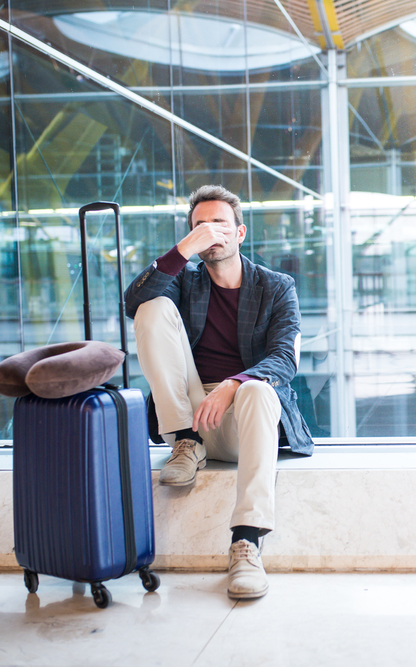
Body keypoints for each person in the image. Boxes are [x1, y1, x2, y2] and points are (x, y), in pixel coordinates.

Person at [124, 184, 313, 600]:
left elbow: (285, 358)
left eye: (219, 224)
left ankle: (246, 543)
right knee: (151, 307)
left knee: (261, 391)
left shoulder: (277, 287)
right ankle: (187, 444)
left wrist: (233, 384)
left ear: (240, 233)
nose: (211, 232)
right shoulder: (184, 282)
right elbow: (133, 301)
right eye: (200, 226)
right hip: (188, 417)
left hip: (245, 420)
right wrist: (183, 250)